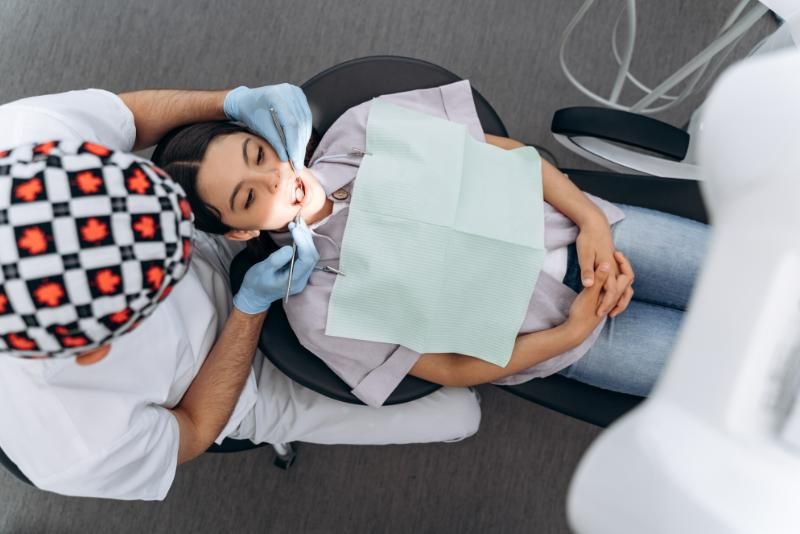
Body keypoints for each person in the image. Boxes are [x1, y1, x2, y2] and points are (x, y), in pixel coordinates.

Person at [0, 85, 481, 500]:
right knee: (458, 412)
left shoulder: (20, 134)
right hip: (221, 387)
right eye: (166, 277)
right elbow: (191, 430)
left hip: (225, 218)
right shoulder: (69, 443)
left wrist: (230, 101)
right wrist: (248, 310)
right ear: (95, 350)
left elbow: (126, 117)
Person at [155, 80, 710, 407]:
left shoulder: (361, 131)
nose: (274, 181)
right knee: (738, 379)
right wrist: (572, 331)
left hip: (593, 232)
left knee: (767, 280)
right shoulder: (315, 305)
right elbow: (448, 367)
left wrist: (589, 221)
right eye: (249, 198)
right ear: (241, 231)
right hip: (572, 336)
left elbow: (508, 153)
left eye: (257, 158)